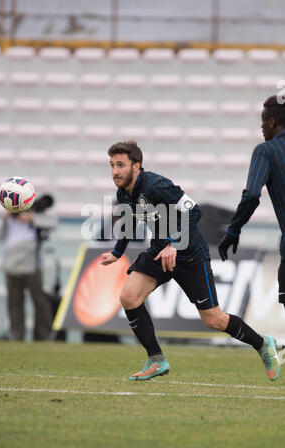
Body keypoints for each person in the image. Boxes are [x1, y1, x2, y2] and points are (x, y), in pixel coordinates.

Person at [100, 140, 281, 382]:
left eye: (120, 165)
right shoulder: (124, 193)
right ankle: (156, 359)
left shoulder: (157, 184)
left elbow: (194, 210)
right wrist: (117, 252)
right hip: (160, 251)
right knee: (129, 297)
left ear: (137, 166)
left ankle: (262, 343)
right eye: (111, 165)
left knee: (214, 320)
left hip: (190, 253)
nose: (114, 171)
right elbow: (131, 221)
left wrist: (174, 243)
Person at [218, 95, 285, 309]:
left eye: (263, 122)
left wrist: (233, 231)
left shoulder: (266, 151)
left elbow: (251, 196)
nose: (262, 128)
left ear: (272, 122)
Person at [0, 195, 57, 340]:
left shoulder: (35, 216)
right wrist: (5, 217)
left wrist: (32, 218)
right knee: (14, 303)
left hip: (32, 266)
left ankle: (43, 336)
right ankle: (17, 335)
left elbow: (52, 223)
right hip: (11, 266)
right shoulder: (8, 220)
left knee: (40, 301)